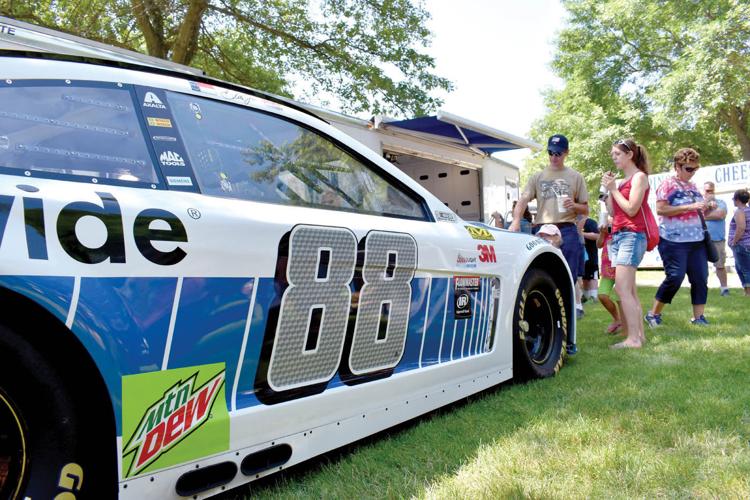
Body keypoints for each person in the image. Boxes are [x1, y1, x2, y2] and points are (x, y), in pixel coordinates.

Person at [510, 134, 589, 355]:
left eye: (558, 153)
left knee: (568, 284)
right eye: (551, 152)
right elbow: (523, 200)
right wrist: (516, 221)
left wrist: (574, 204)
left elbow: (586, 209)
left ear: (566, 153)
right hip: (542, 230)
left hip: (567, 230)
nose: (554, 157)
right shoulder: (537, 176)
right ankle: (546, 335)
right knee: (541, 283)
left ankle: (569, 340)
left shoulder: (575, 176)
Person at [645, 147, 709, 327]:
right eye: (689, 169)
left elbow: (697, 209)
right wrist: (689, 207)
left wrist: (705, 207)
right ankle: (653, 314)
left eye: (695, 169)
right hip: (673, 240)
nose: (692, 173)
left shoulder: (693, 186)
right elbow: (661, 209)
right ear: (677, 166)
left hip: (697, 240)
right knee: (675, 277)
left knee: (700, 278)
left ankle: (699, 318)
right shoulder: (667, 184)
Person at [601, 138, 650, 348]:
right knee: (629, 290)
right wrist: (608, 192)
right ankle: (638, 335)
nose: (614, 158)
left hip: (632, 234)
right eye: (612, 155)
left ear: (630, 155)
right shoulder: (621, 182)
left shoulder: (639, 177)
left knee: (622, 289)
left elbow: (632, 209)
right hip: (620, 235)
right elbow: (614, 212)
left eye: (617, 154)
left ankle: (633, 339)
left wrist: (613, 190)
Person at [597, 216, 625, 334]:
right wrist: (603, 234)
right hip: (607, 269)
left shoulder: (623, 229)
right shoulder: (605, 230)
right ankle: (617, 319)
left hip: (622, 267)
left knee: (622, 298)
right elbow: (598, 244)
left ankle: (625, 325)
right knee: (602, 295)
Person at [702, 181, 730, 296]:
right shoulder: (699, 204)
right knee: (700, 267)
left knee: (720, 265)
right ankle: (702, 289)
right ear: (702, 191)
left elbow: (720, 215)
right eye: (707, 191)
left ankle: (724, 289)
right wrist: (707, 206)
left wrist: (704, 217)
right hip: (701, 239)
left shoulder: (721, 202)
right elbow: (695, 216)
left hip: (718, 239)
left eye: (711, 190)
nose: (709, 193)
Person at [728, 189, 750, 296]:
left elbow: (741, 228)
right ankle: (746, 290)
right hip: (747, 244)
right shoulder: (748, 210)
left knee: (744, 269)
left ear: (737, 199)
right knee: (741, 267)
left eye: (733, 198)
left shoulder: (739, 211)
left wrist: (734, 241)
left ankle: (748, 293)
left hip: (741, 245)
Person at [581, 216, 600, 302]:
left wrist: (582, 234)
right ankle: (586, 297)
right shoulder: (574, 223)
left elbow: (597, 235)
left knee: (592, 277)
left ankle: (593, 297)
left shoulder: (591, 222)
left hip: (591, 255)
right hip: (582, 257)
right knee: (584, 277)